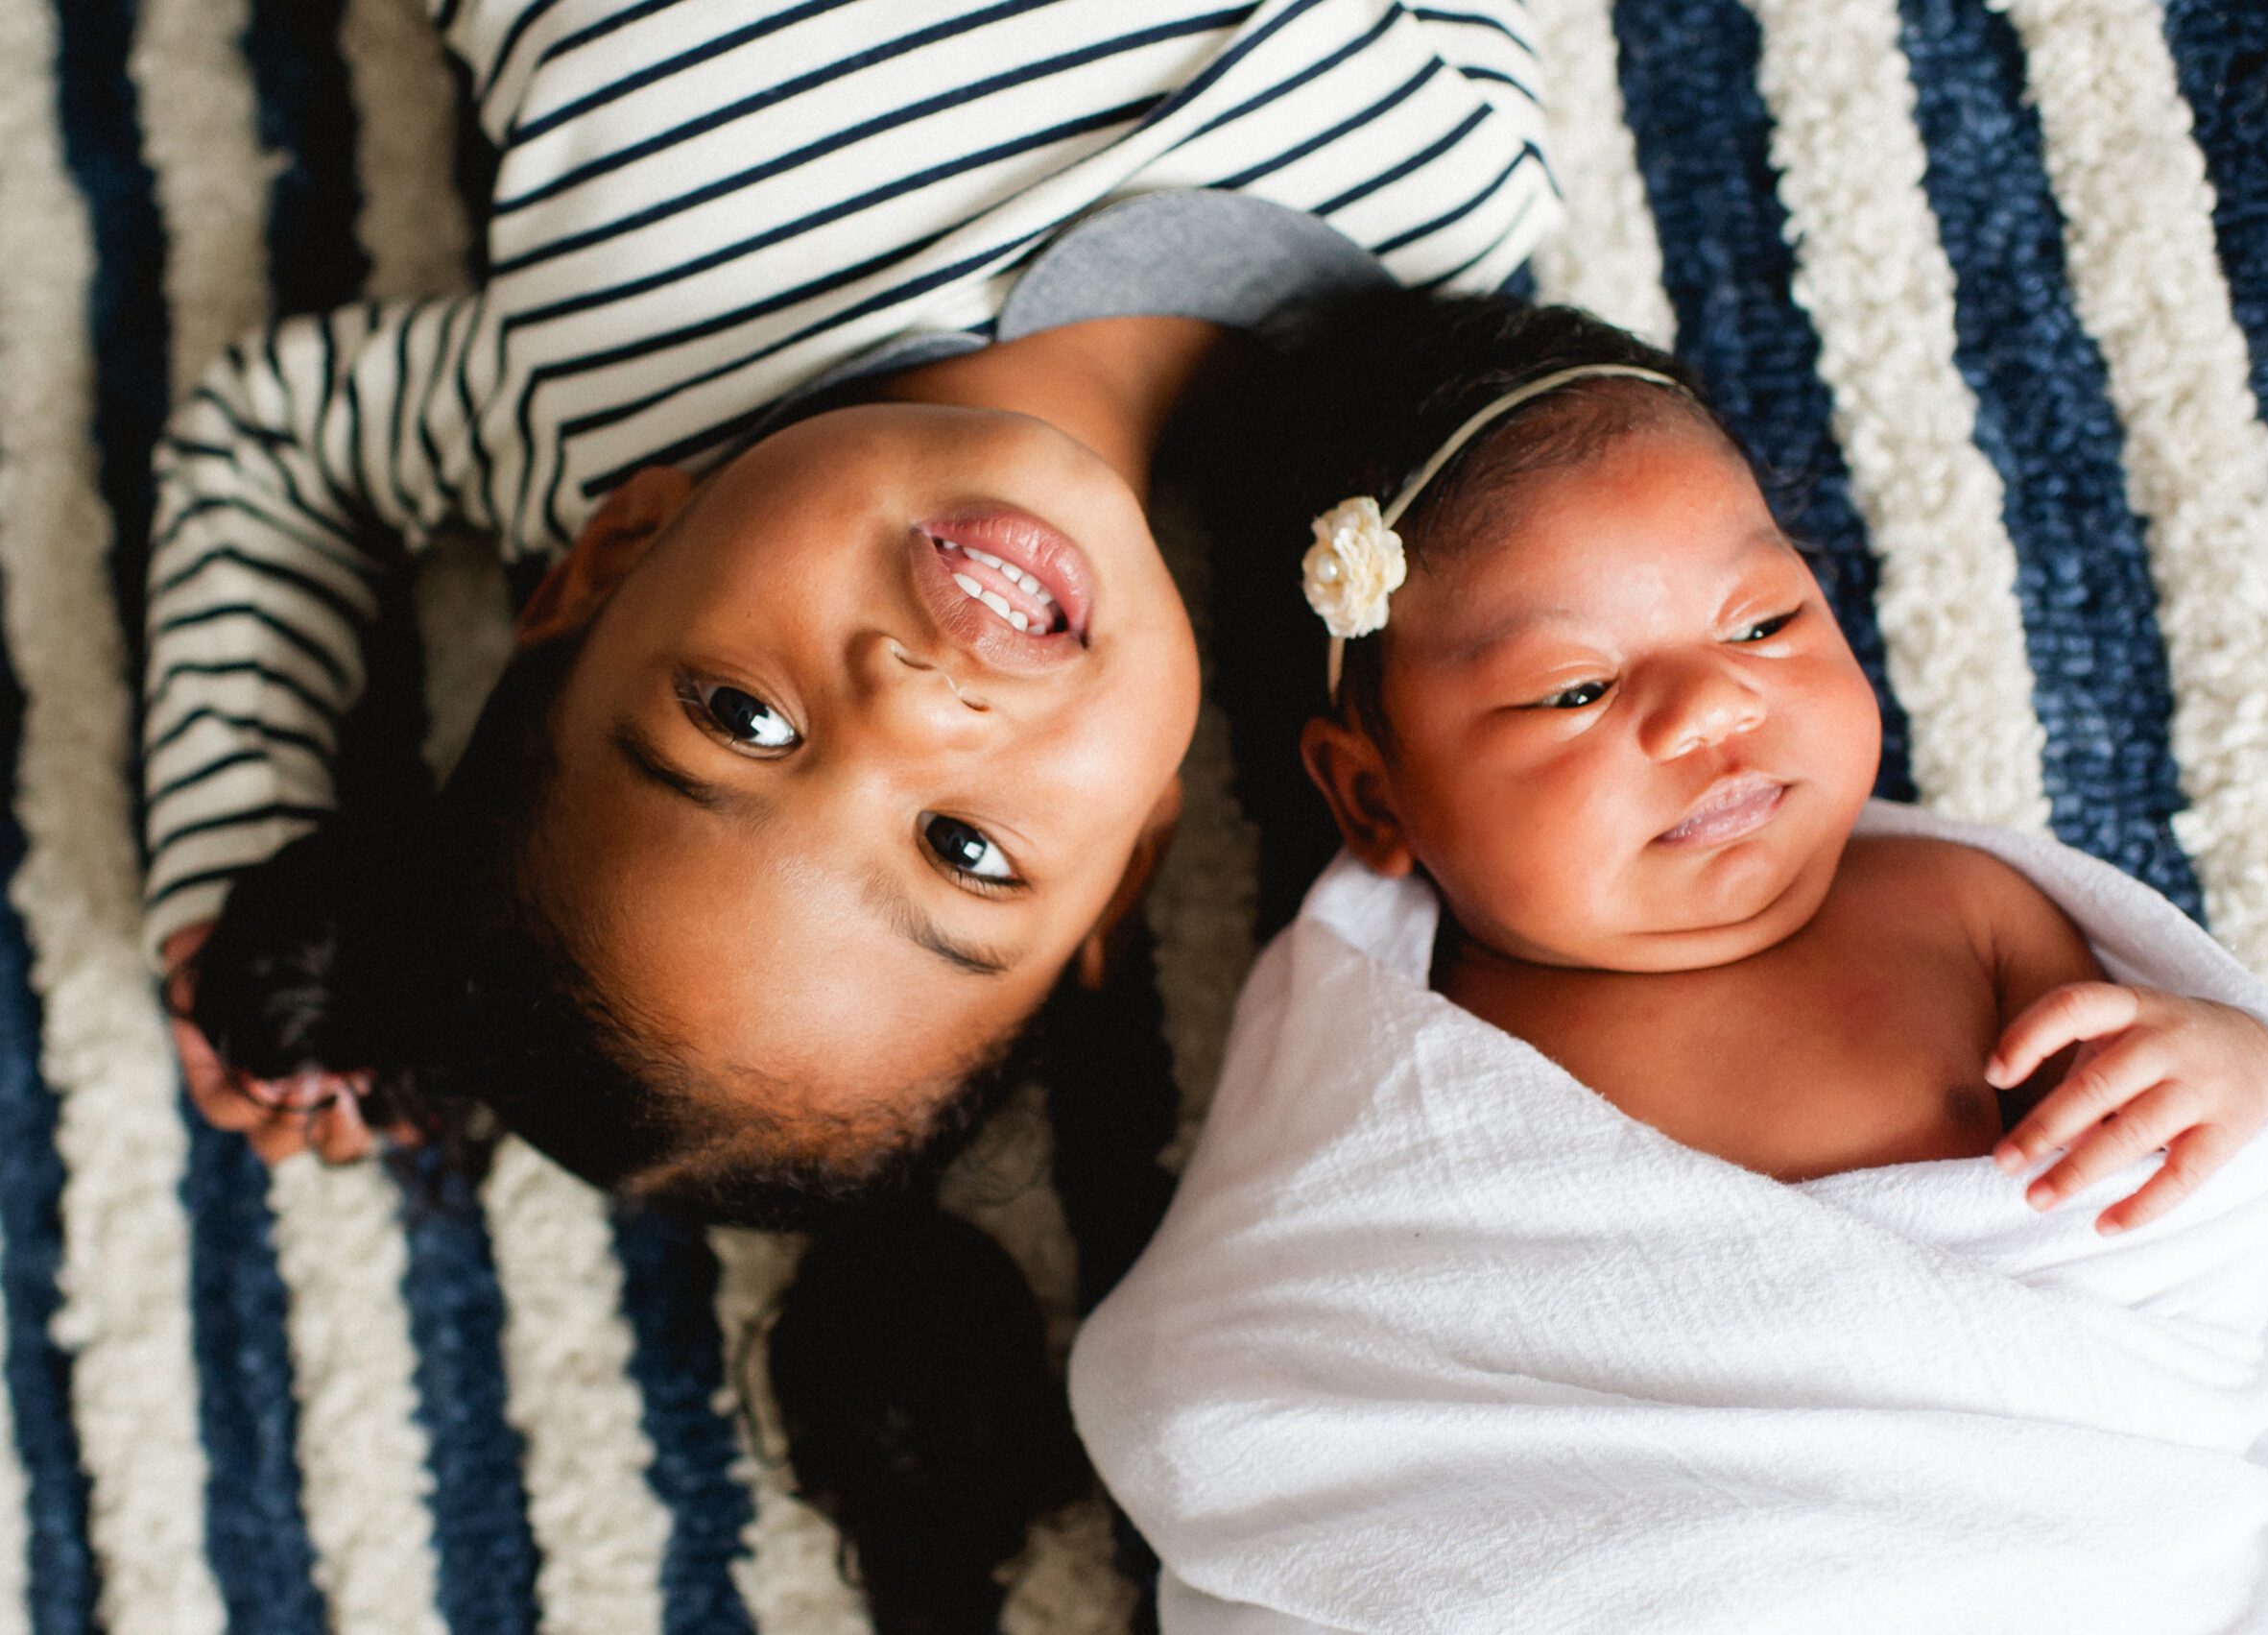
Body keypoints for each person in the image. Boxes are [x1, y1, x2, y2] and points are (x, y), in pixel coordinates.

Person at [146, 5, 1555, 1626]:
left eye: (742, 718)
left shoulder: (618, 409)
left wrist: (237, 842)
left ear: (609, 561)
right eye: (965, 851)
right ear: (1128, 873)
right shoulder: (1441, 224)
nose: (907, 707)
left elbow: (269, 444)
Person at [1070, 294, 2268, 1631]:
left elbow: (2175, 1204)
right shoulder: (1381, 1057)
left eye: (1765, 624)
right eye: (1574, 690)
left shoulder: (1957, 908)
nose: (1713, 705)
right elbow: (1249, 1373)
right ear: (1374, 798)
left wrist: (2231, 1069)